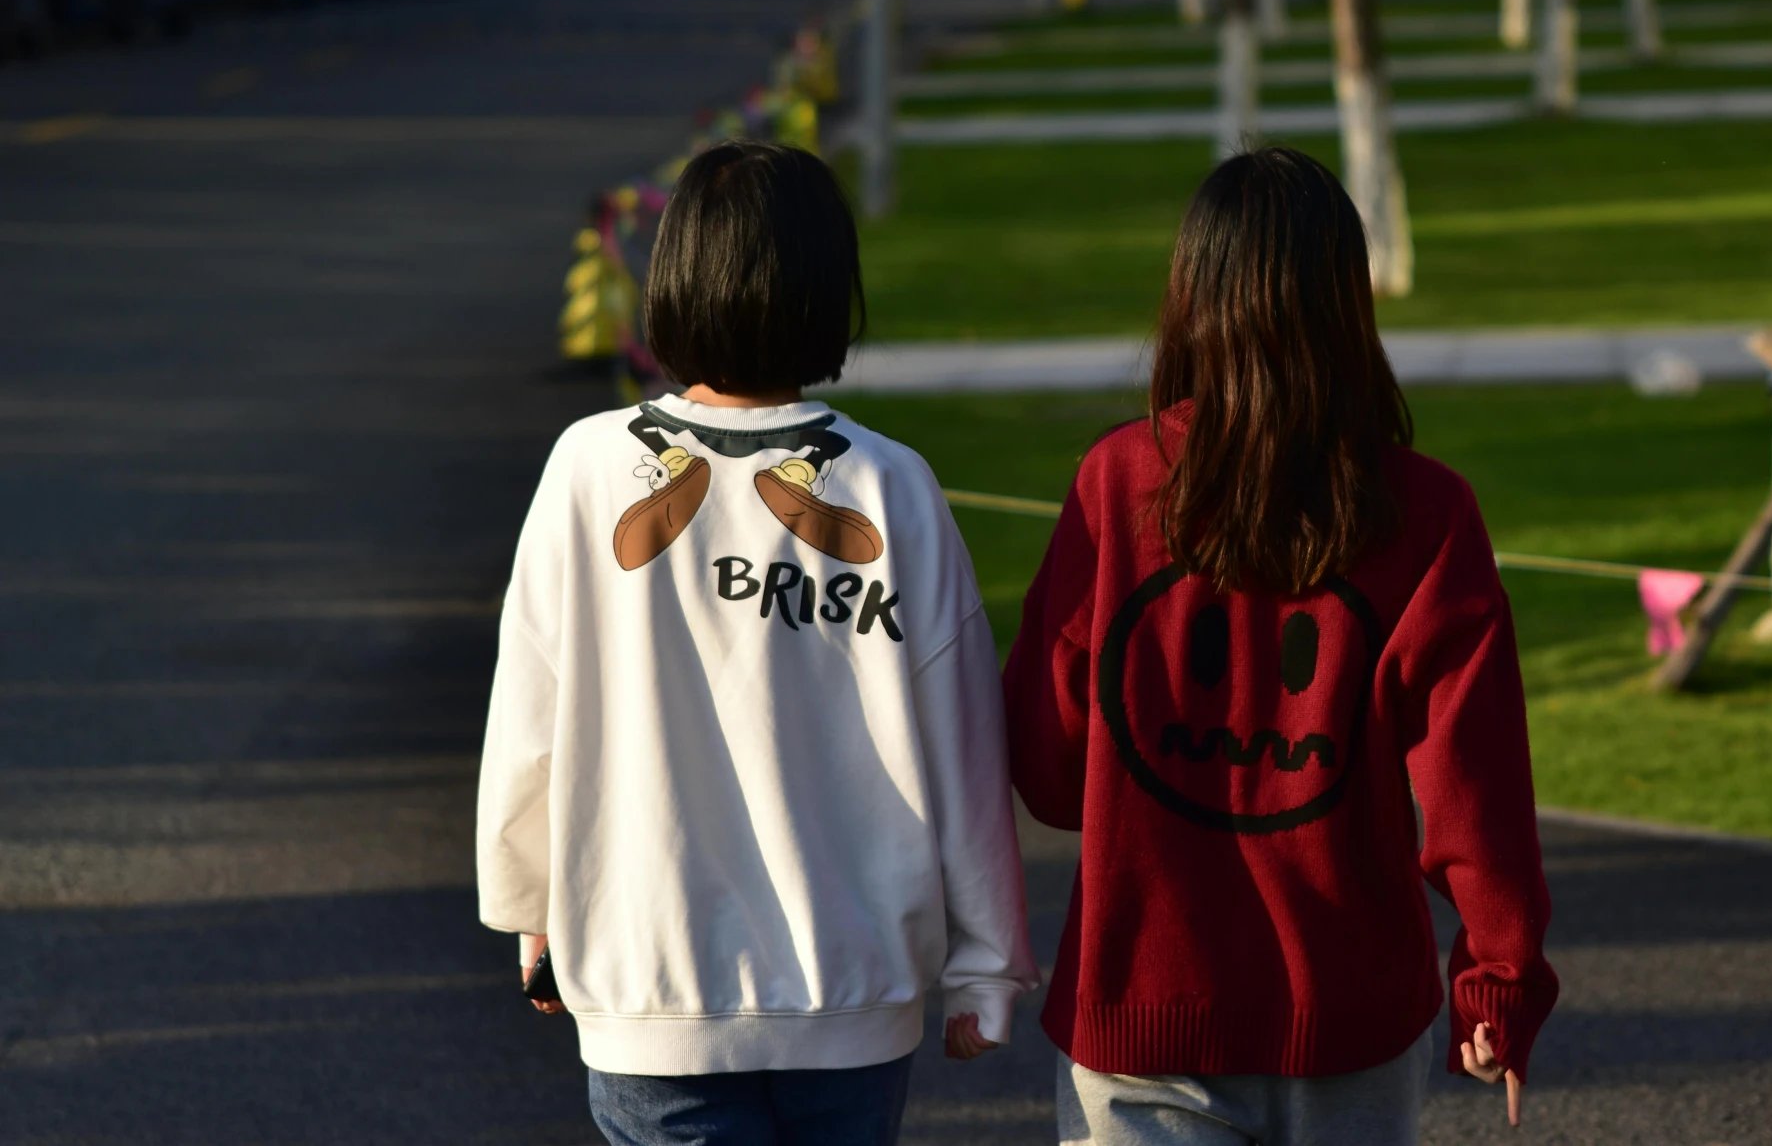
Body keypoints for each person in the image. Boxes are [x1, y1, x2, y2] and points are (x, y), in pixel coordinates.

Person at [477, 140, 1034, 1146]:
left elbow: (530, 718)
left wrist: (531, 907)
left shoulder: (588, 468)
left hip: (653, 993)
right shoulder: (890, 483)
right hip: (852, 994)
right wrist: (986, 961)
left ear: (674, 278)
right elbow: (963, 739)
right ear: (830, 291)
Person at [1003, 147, 1558, 1145]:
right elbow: (1475, 785)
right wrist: (1499, 977)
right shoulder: (1425, 511)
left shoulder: (1118, 480)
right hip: (1352, 1014)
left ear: (1190, 296)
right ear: (1350, 303)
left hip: (1143, 1009)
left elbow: (1047, 767)